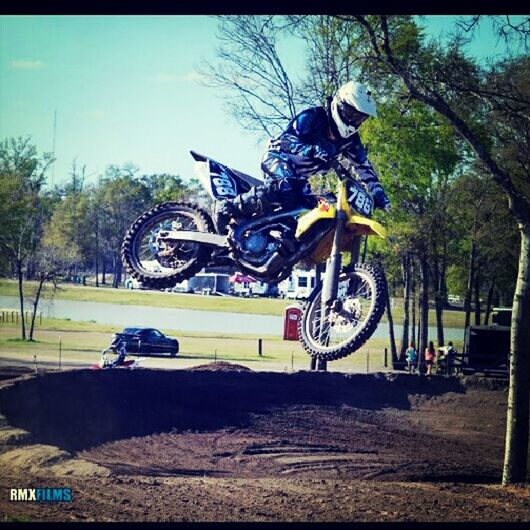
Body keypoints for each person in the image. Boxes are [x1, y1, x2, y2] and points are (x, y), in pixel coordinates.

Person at [214, 81, 391, 234]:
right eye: (352, 114)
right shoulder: (313, 117)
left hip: (299, 176)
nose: (354, 120)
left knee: (316, 204)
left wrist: (378, 194)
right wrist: (312, 150)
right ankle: (228, 207)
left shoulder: (351, 140)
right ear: (341, 104)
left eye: (360, 118)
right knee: (287, 187)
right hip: (278, 158)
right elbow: (286, 141)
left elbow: (363, 166)